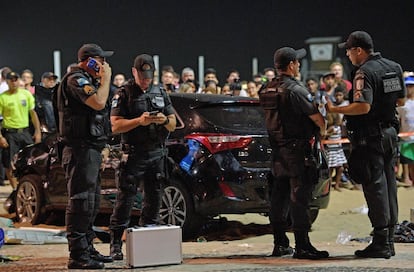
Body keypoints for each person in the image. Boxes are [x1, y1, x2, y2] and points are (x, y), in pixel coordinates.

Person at [326, 30, 406, 259]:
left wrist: (335, 109)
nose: (348, 56)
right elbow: (400, 99)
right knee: (390, 186)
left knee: (375, 188)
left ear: (359, 50)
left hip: (372, 138)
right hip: (390, 134)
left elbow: (363, 106)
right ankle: (388, 240)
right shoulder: (394, 67)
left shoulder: (365, 72)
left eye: (349, 51)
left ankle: (381, 241)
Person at [258, 47, 328, 260]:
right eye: (297, 62)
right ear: (291, 65)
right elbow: (318, 120)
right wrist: (322, 128)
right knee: (300, 198)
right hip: (298, 152)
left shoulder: (265, 89)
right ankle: (303, 246)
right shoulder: (296, 90)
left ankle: (280, 243)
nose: (298, 66)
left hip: (278, 151)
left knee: (278, 198)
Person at [108, 54, 176, 261]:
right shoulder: (124, 93)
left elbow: (173, 124)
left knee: (154, 199)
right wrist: (139, 121)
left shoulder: (160, 92)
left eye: (149, 76)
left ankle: (147, 245)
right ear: (134, 72)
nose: (146, 80)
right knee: (125, 201)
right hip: (134, 154)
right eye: (142, 75)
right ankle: (115, 245)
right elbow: (115, 125)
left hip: (156, 153)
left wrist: (164, 120)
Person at [56, 43, 114, 269]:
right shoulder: (75, 80)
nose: (104, 65)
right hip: (79, 149)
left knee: (91, 201)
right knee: (81, 201)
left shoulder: (88, 81)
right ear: (90, 61)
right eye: (101, 60)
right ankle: (78, 255)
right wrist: (106, 78)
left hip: (90, 148)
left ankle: (87, 248)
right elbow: (98, 103)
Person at [0, 71, 41, 190]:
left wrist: (37, 132)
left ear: (18, 80)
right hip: (10, 134)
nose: (13, 82)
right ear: (7, 81)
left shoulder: (26, 95)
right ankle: (15, 189)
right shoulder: (3, 97)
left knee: (29, 160)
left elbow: (33, 114)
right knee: (9, 163)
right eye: (11, 80)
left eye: (15, 79)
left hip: (24, 133)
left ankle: (25, 186)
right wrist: (0, 136)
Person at [396, 76, 414, 187]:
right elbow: (399, 119)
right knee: (408, 162)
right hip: (406, 137)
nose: (409, 88)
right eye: (407, 86)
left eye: (411, 86)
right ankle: (406, 178)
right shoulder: (403, 104)